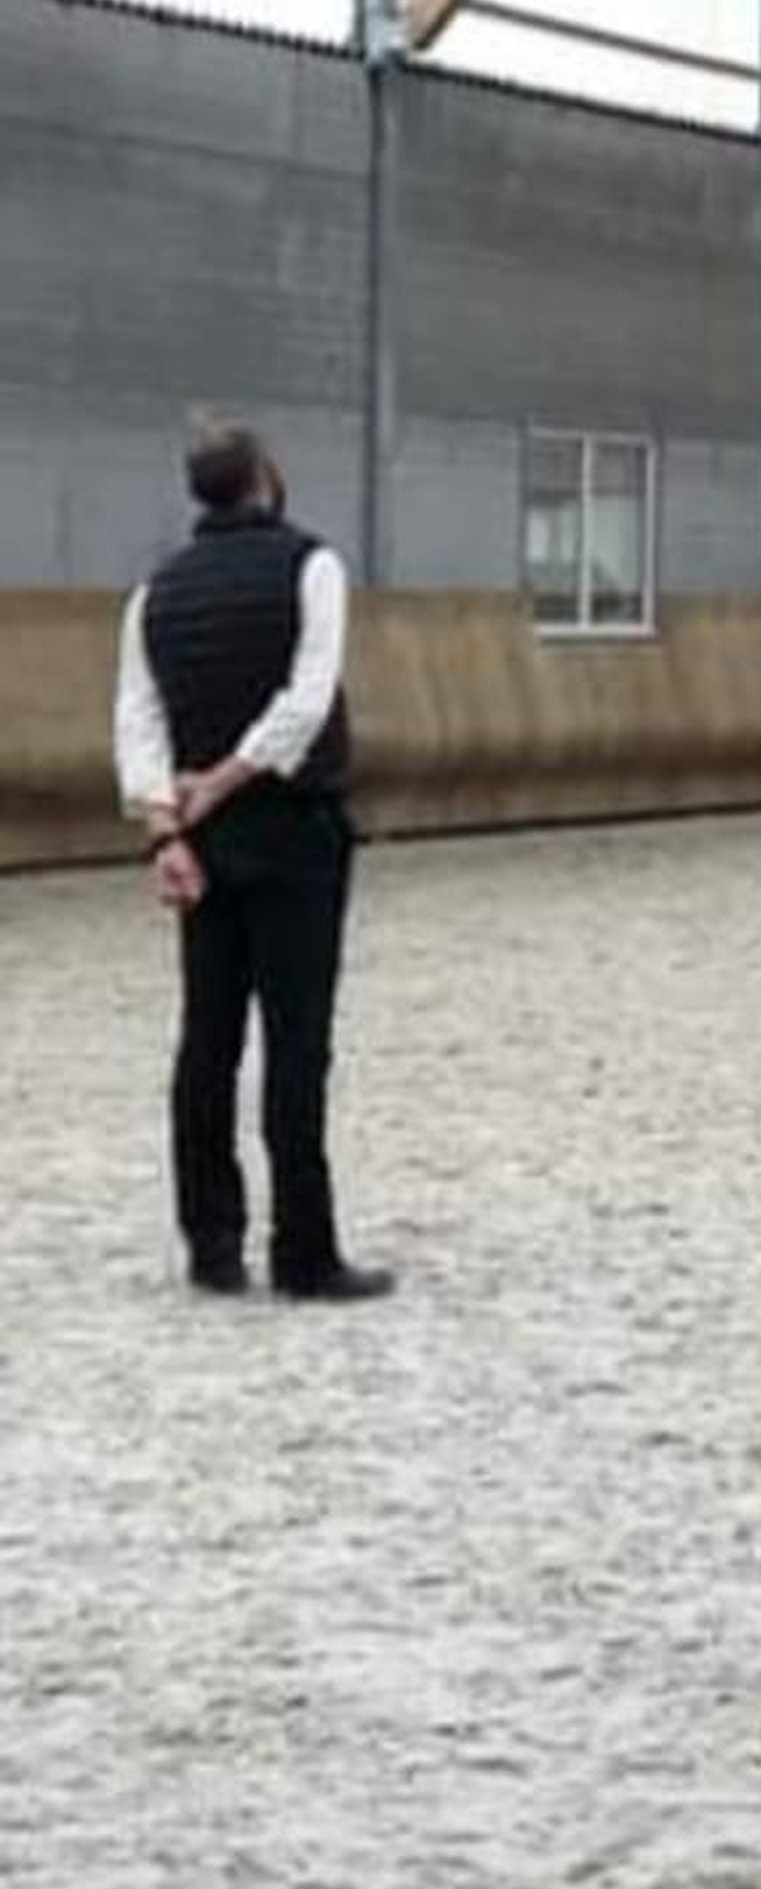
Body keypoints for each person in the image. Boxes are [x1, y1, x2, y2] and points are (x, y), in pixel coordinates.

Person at [113, 415, 392, 1302]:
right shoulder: (312, 566)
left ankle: (213, 1245)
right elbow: (303, 706)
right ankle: (304, 1252)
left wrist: (168, 828)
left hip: (199, 846)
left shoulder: (154, 593)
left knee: (207, 1040)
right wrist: (227, 780)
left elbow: (139, 720)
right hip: (293, 829)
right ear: (268, 477)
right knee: (296, 1041)